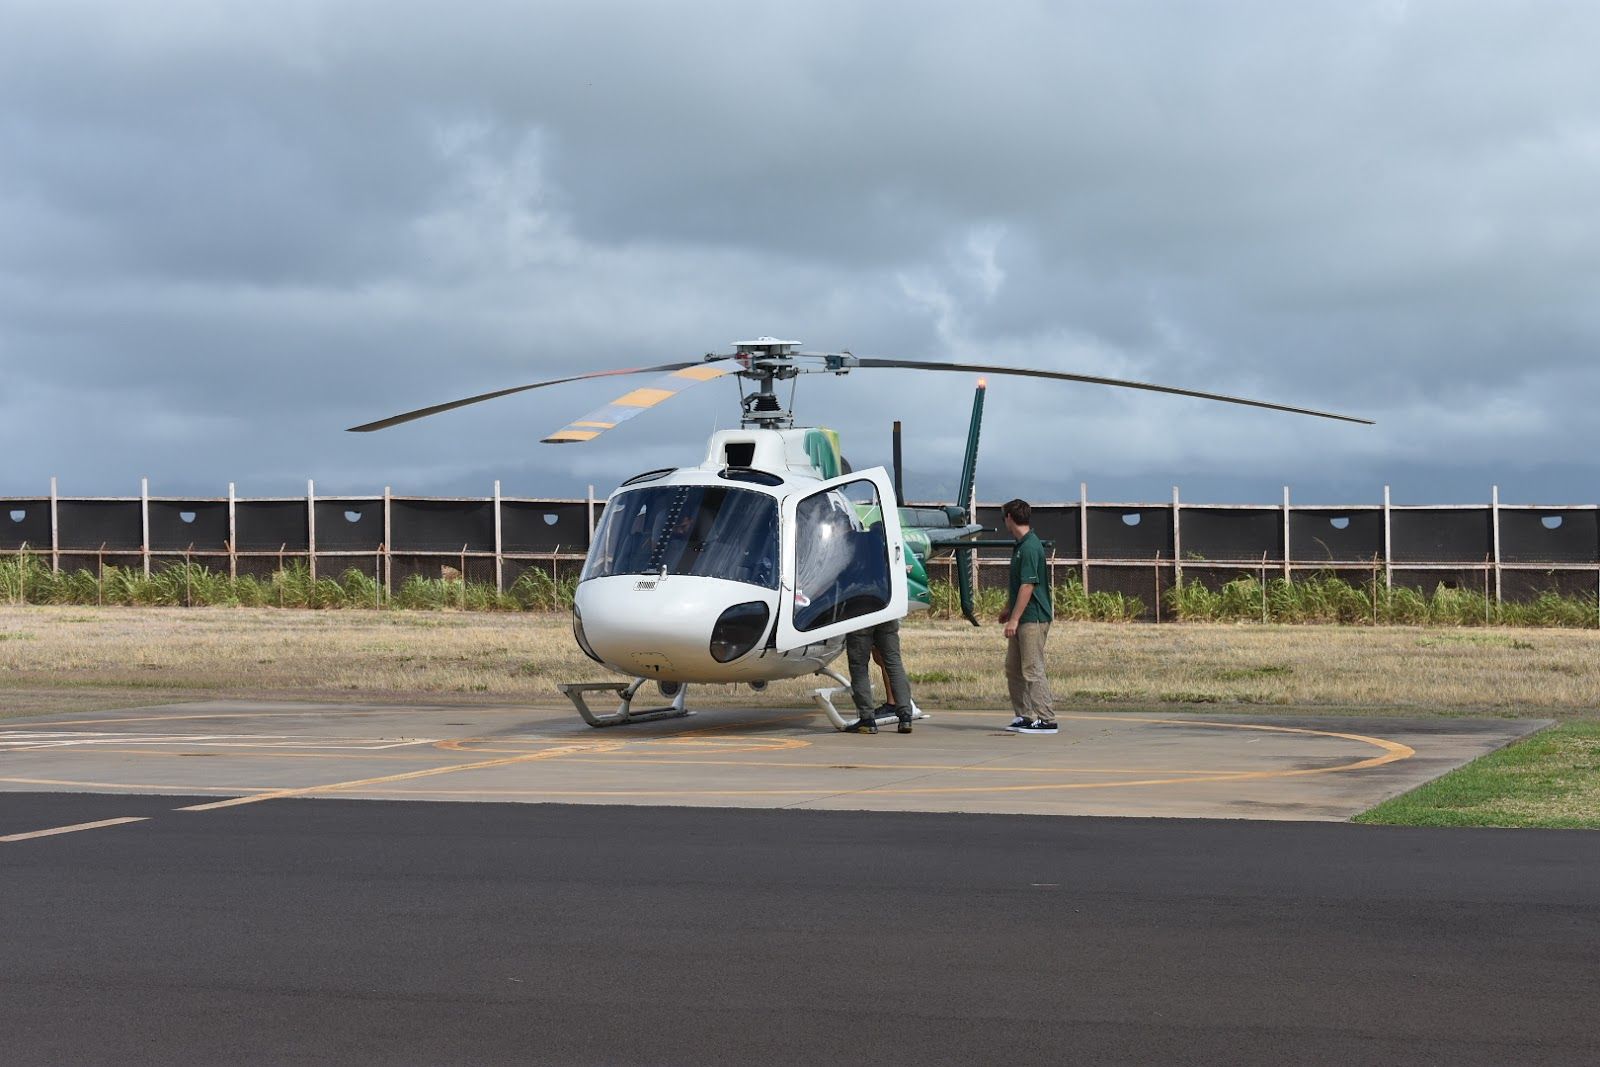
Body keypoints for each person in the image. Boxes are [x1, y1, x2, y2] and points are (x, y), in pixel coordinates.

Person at [998, 498, 1056, 734]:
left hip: (1033, 618)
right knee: (1013, 668)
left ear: (1009, 518)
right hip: (1022, 615)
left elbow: (1028, 586)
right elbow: (1018, 585)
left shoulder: (1031, 547)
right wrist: (1008, 609)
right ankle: (1024, 715)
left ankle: (1046, 718)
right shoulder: (1020, 545)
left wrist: (1014, 619)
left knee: (1032, 667)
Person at [842, 618, 914, 734]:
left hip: (860, 615)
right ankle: (905, 717)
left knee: (859, 666)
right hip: (886, 613)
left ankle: (867, 719)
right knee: (894, 663)